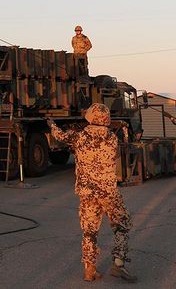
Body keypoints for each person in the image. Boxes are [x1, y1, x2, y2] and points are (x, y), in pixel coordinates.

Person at [47, 103, 136, 282]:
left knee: (89, 231)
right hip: (108, 192)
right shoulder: (112, 138)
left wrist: (51, 124)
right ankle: (118, 264)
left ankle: (90, 269)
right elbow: (115, 156)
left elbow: (60, 136)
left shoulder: (79, 137)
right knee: (122, 224)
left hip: (87, 192)